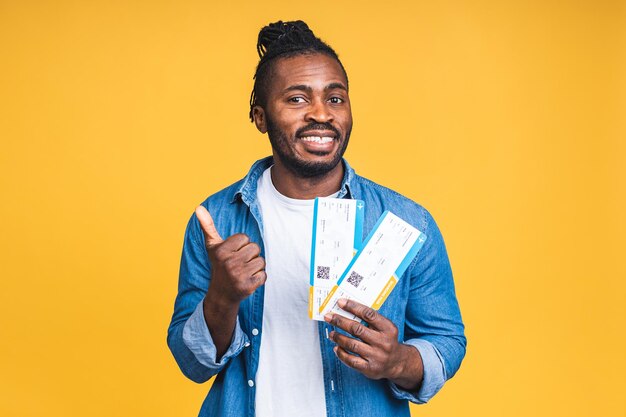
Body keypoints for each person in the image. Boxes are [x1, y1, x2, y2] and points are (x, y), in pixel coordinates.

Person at [167, 20, 466, 417]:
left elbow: (445, 340)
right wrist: (221, 298)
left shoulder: (407, 222)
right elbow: (193, 364)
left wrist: (398, 362)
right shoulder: (217, 221)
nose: (321, 114)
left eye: (336, 98)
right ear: (260, 118)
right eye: (296, 99)